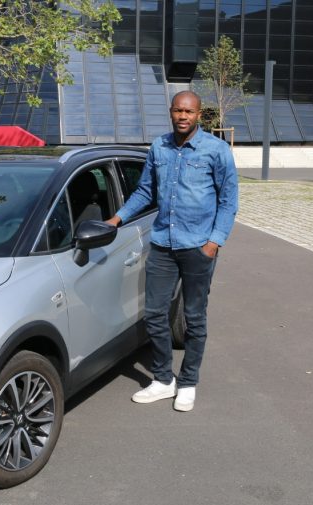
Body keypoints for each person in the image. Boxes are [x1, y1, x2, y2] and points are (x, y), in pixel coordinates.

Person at [104, 90, 239, 412]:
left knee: (194, 318)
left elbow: (228, 200)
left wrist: (214, 242)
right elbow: (146, 190)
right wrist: (116, 218)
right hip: (163, 244)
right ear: (170, 112)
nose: (182, 116)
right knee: (154, 314)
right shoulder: (159, 147)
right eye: (178, 111)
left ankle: (188, 382)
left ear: (199, 115)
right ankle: (164, 380)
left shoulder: (217, 150)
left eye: (188, 112)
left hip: (198, 247)